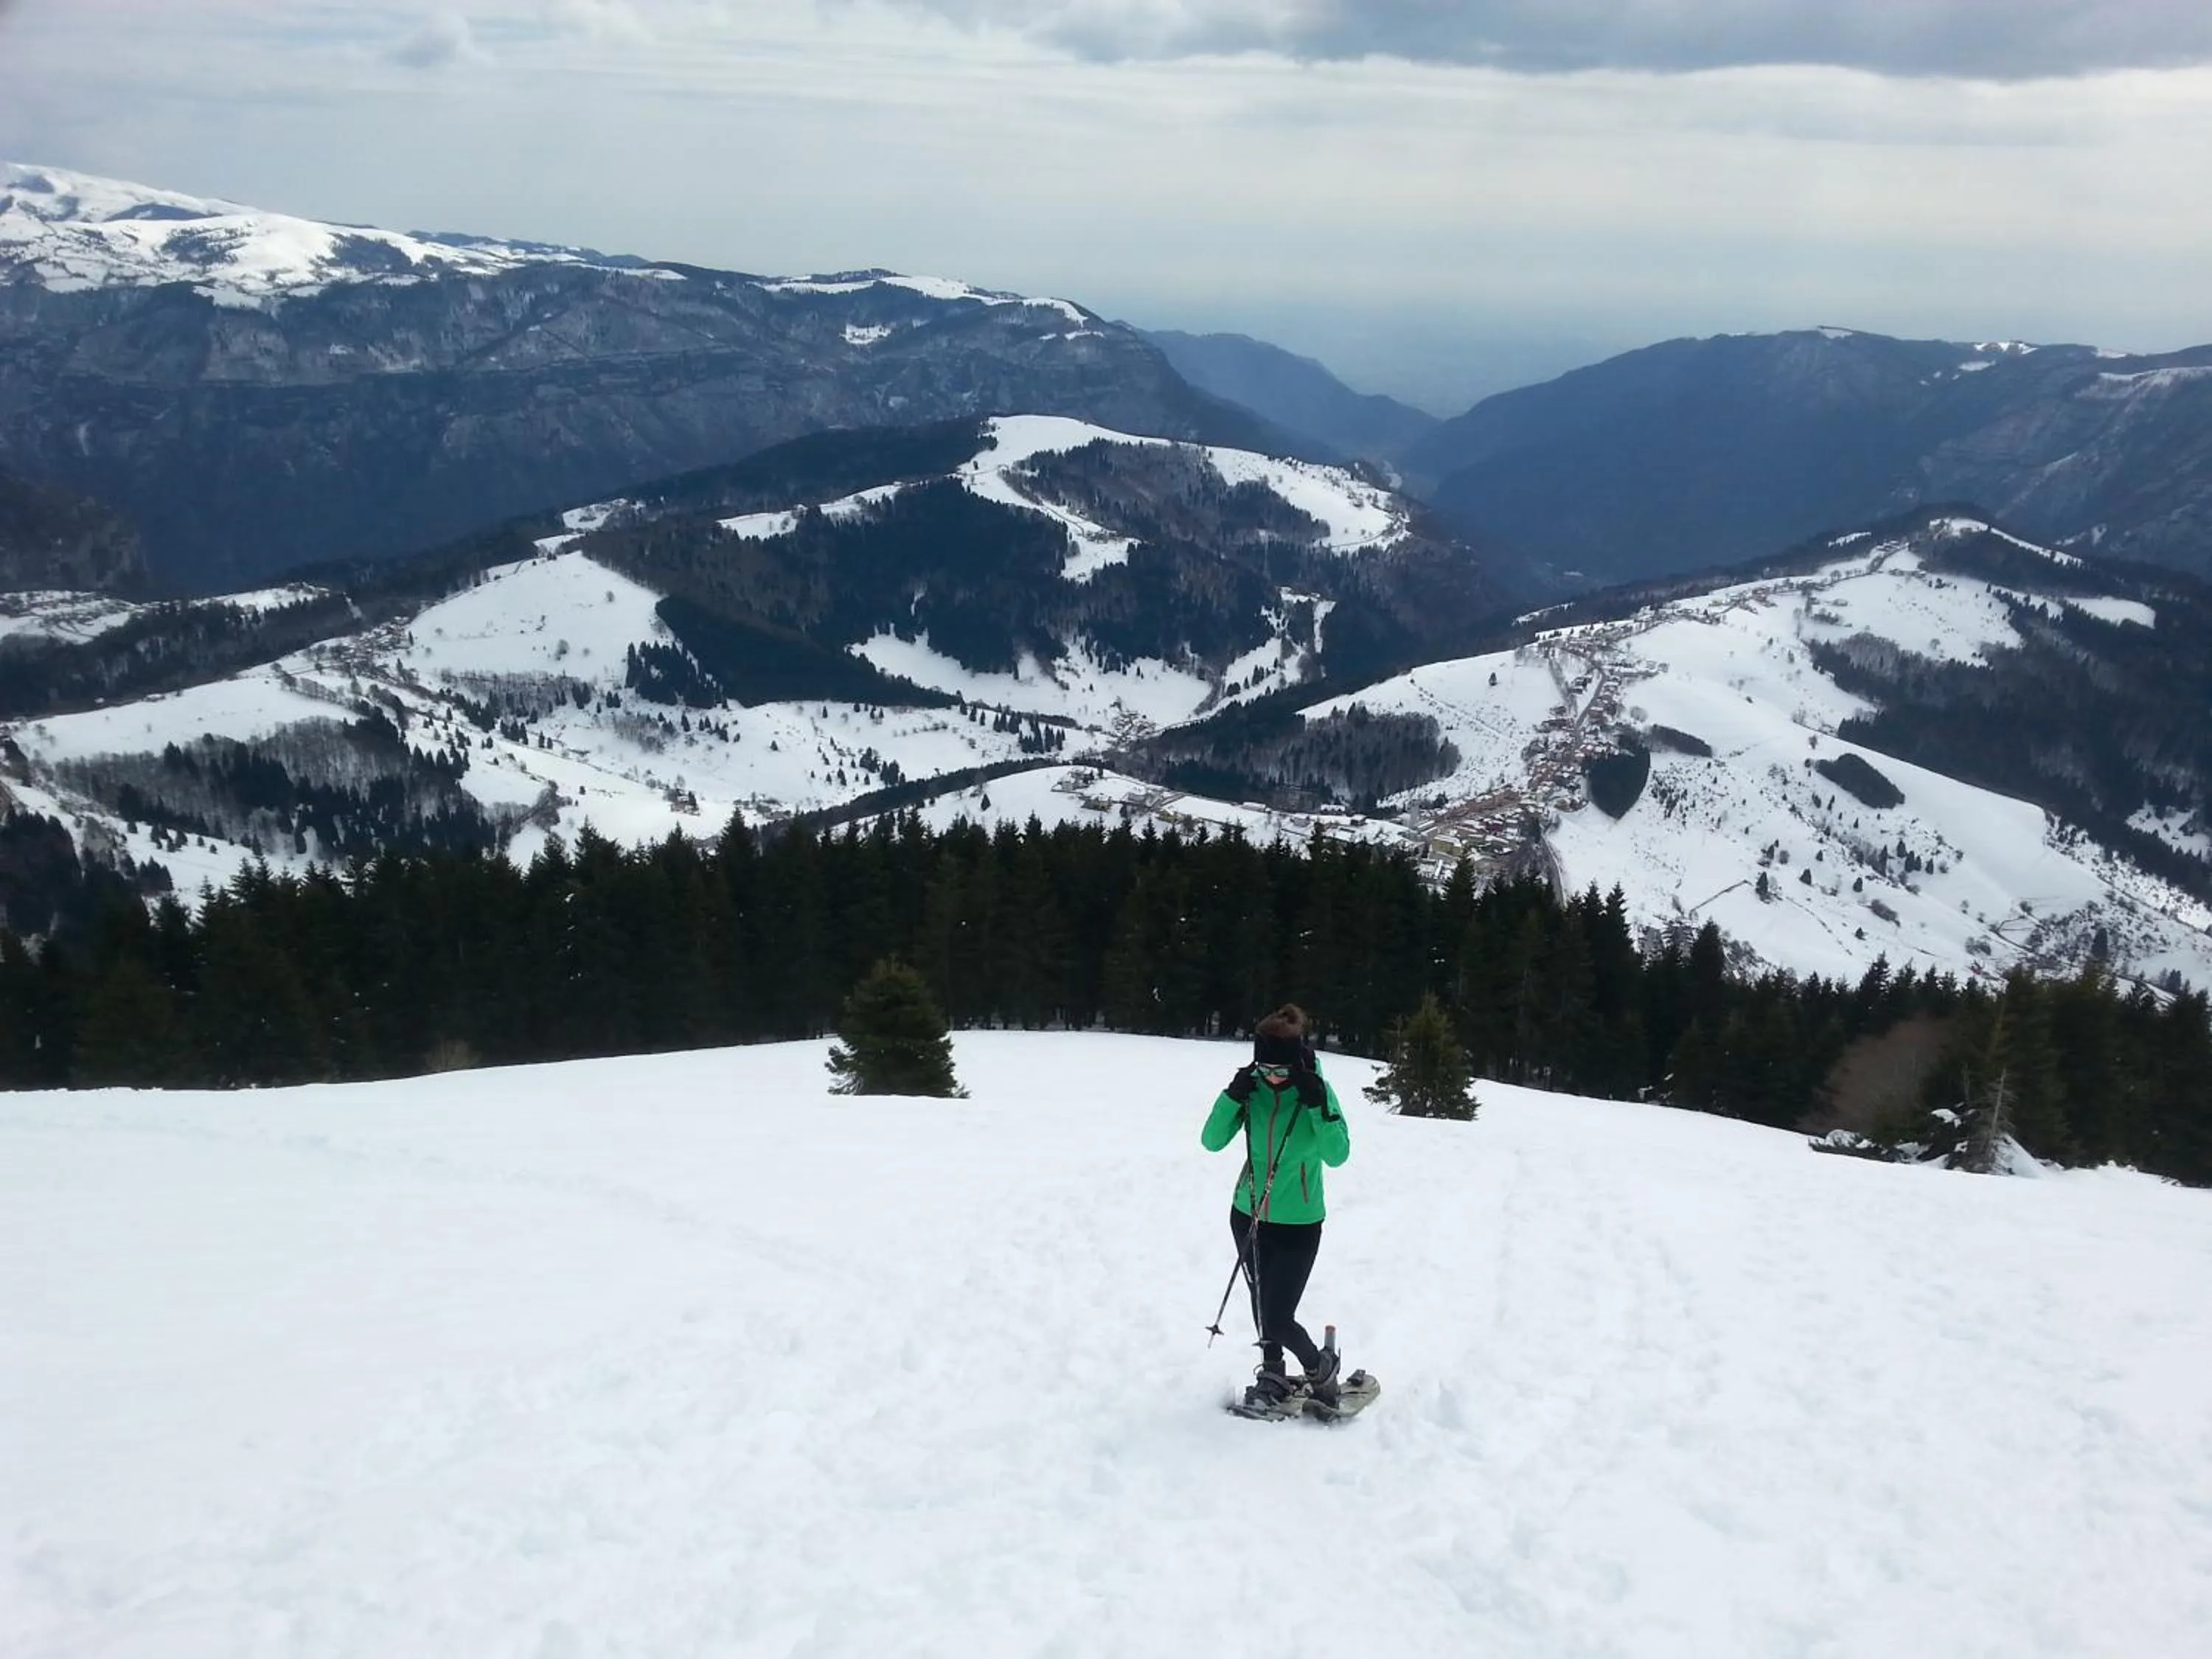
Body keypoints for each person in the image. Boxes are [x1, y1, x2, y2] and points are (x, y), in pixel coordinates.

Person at [1201, 1003, 1352, 1412]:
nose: (1272, 1078)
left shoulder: (1314, 1090)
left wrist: (1320, 1106)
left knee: (1278, 1314)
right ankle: (1271, 1370)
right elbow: (1211, 1141)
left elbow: (1338, 1155)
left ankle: (1320, 1366)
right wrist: (1232, 1098)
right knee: (1261, 1303)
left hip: (1299, 1223)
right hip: (1247, 1215)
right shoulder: (1253, 1088)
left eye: (1280, 1071)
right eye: (1264, 1068)